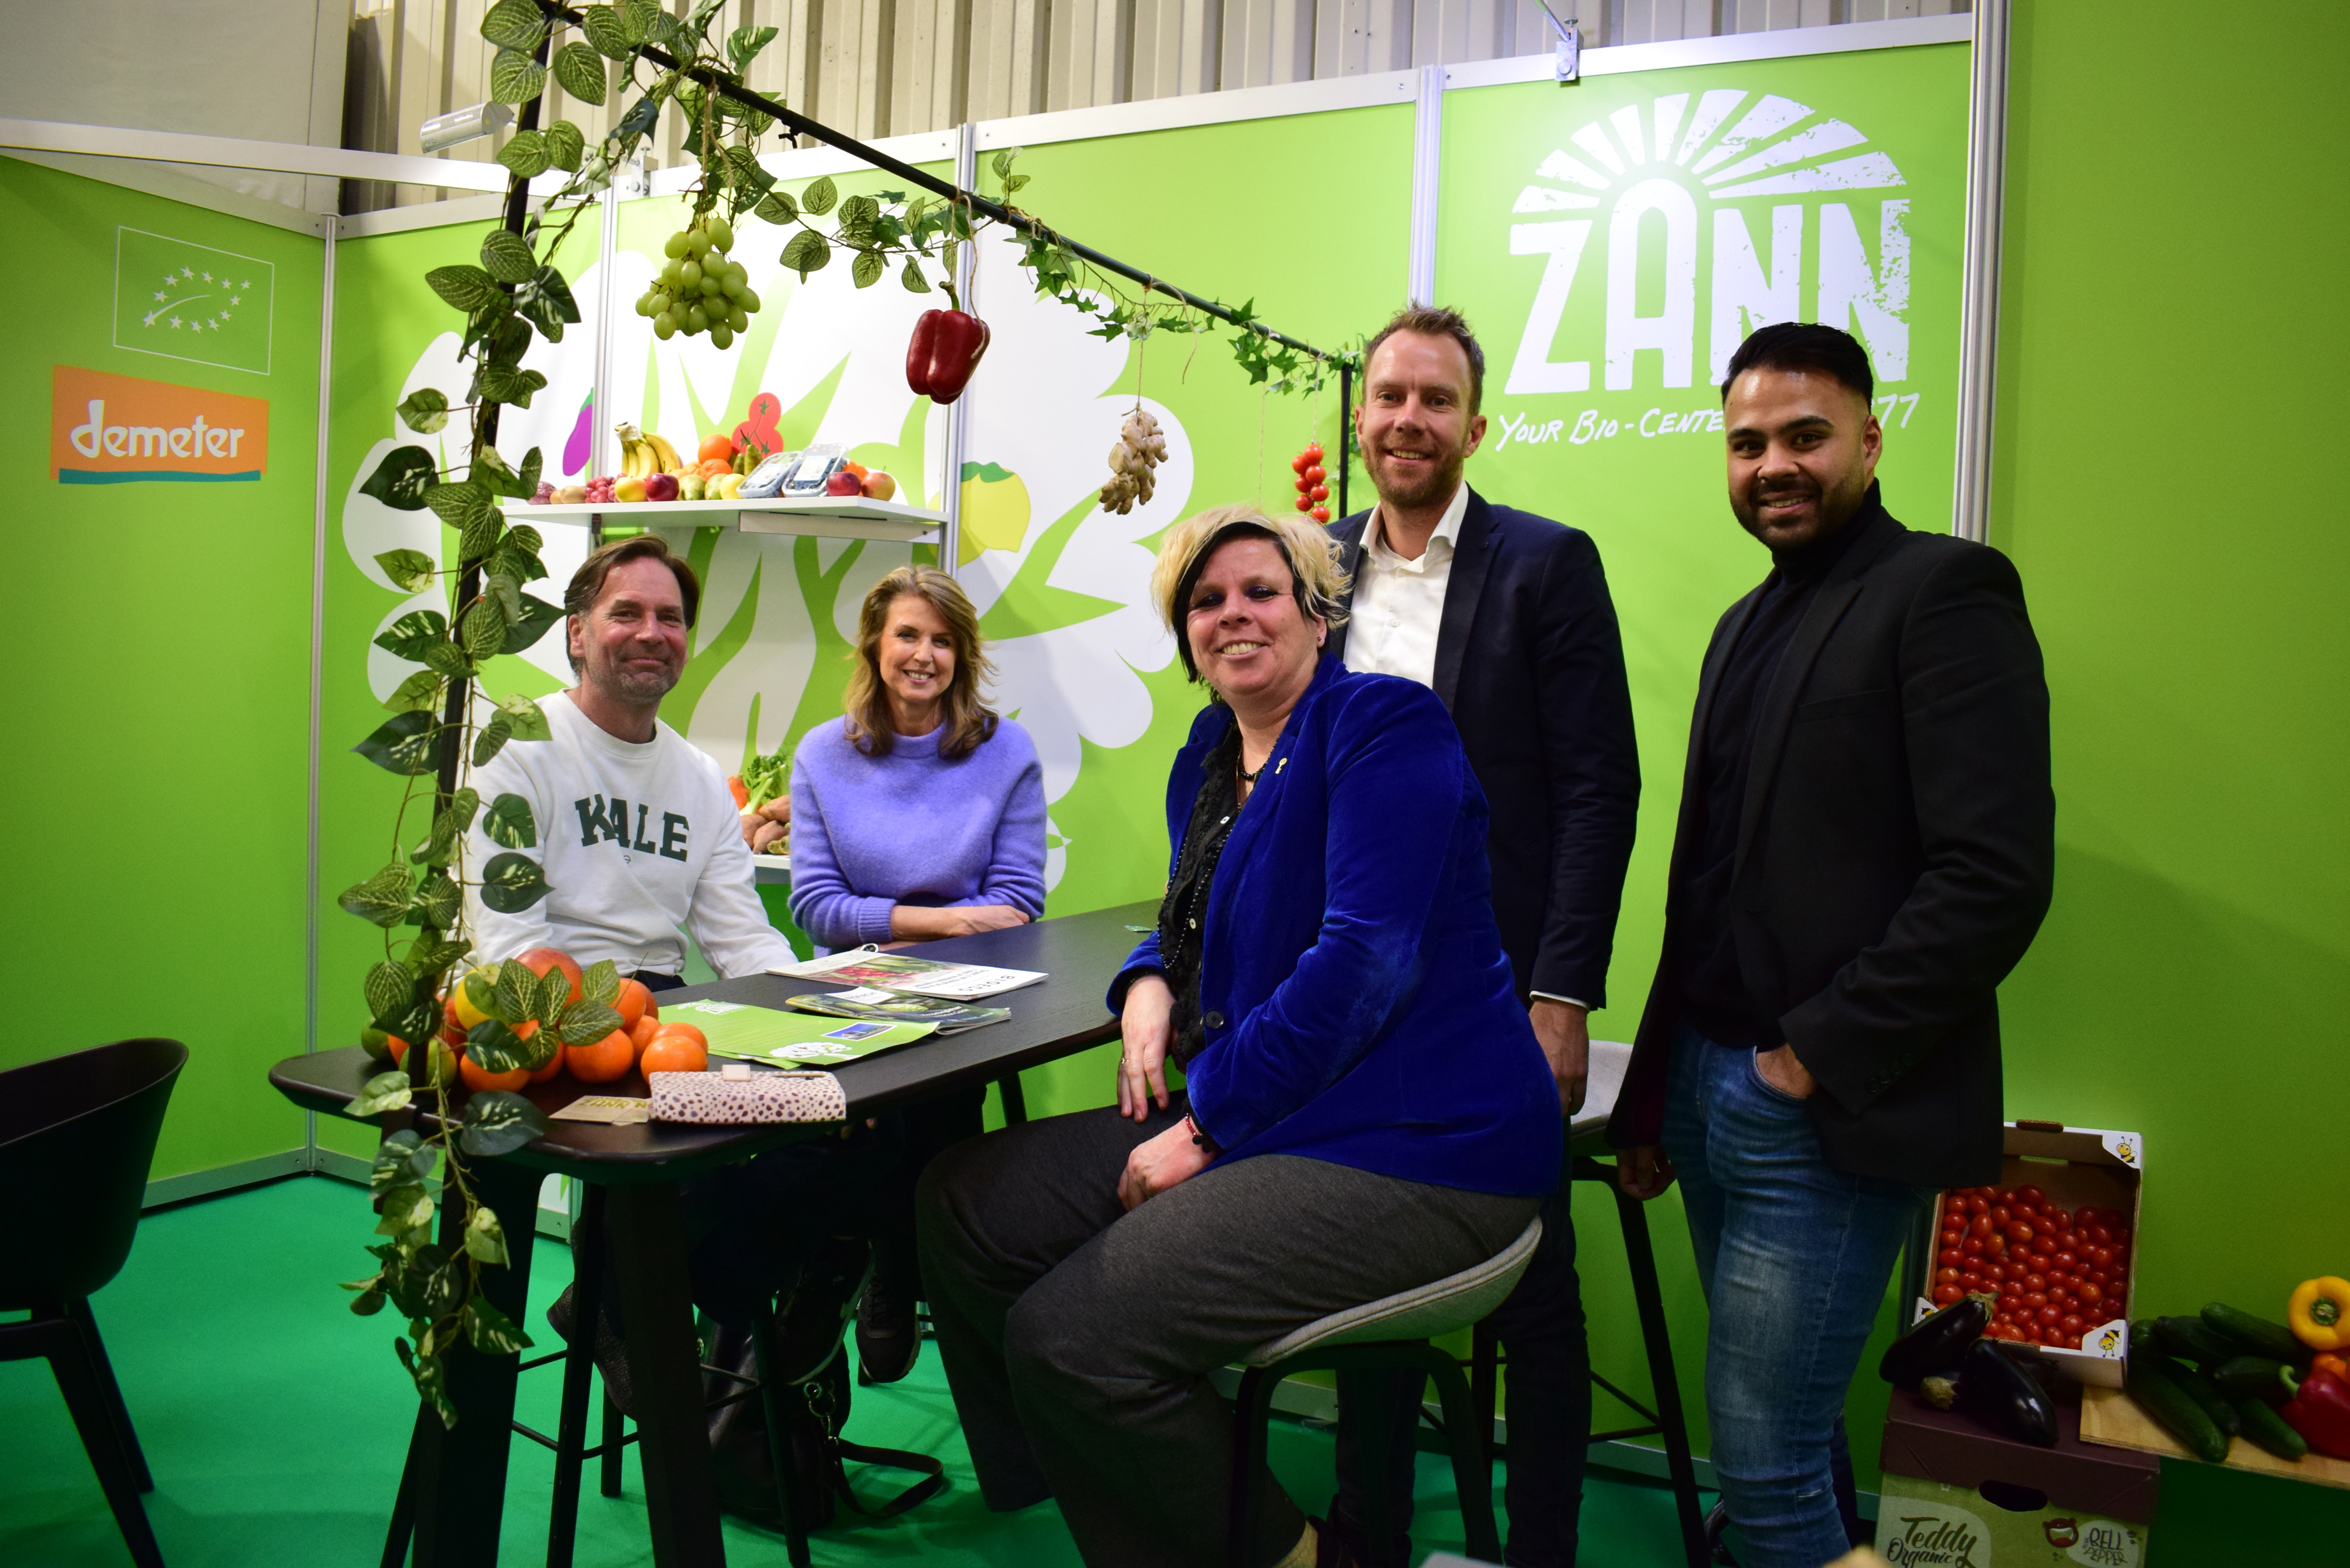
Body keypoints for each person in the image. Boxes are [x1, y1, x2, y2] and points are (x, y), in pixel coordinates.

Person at [915, 505, 1562, 1568]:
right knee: (964, 1204)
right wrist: (1147, 981)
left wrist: (1205, 1125)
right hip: (1287, 1115)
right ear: (1185, 636)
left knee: (1068, 1336)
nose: (1233, 615)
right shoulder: (1207, 759)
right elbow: (1191, 917)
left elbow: (1365, 958)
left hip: (1424, 1143)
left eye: (1261, 592)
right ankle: (1104, 1468)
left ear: (1317, 615)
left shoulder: (1385, 724)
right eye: (1205, 602)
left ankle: (1295, 1555)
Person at [1611, 322, 2054, 1567]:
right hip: (1709, 1084)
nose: (1773, 466)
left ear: (1869, 438)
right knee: (1789, 1444)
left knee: (1759, 1467)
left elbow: (1994, 877)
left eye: (1804, 436)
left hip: (1823, 1105)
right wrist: (1654, 1093)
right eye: (1746, 443)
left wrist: (1810, 1057)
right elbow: (1707, 887)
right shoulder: (1741, 624)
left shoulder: (1945, 590)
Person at [1322, 305, 1640, 1568]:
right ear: (1360, 416)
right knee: (1365, 1275)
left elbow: (1598, 790)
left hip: (1495, 993)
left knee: (1534, 1289)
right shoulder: (1313, 566)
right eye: (1390, 396)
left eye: (1436, 399)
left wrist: (1562, 996)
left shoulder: (1545, 565)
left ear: (1475, 425)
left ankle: (1541, 1548)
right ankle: (1370, 1535)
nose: (1409, 419)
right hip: (1345, 994)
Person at [464, 535, 892, 1435]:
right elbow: (509, 946)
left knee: (835, 1123)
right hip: (545, 1029)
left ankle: (618, 1296)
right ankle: (646, 1303)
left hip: (664, 1020)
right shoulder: (519, 748)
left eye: (670, 618)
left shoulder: (697, 778)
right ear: (577, 633)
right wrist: (610, 1026)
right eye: (627, 612)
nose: (652, 632)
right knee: (731, 1142)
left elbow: (742, 940)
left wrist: (837, 1006)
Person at [785, 562, 1049, 1380]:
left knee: (918, 1101)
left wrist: (896, 927)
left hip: (966, 991)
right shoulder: (823, 754)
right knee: (860, 1117)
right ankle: (877, 1262)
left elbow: (1016, 906)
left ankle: (872, 1264)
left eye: (942, 640)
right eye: (907, 634)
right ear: (875, 643)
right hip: (850, 990)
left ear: (963, 655)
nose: (923, 655)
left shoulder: (1006, 752)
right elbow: (814, 907)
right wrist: (939, 919)